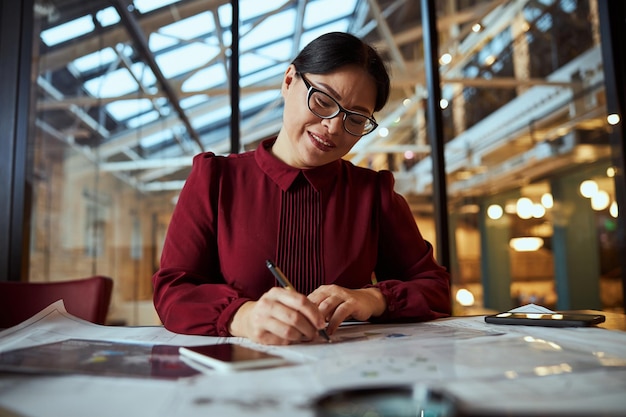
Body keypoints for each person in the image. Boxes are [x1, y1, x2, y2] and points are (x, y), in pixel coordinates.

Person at [152, 32, 451, 345]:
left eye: (356, 119)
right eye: (323, 101)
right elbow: (173, 290)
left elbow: (435, 288)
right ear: (289, 80)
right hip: (240, 378)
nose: (334, 127)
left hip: (344, 376)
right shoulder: (216, 180)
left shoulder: (372, 193)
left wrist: (374, 299)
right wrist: (244, 316)